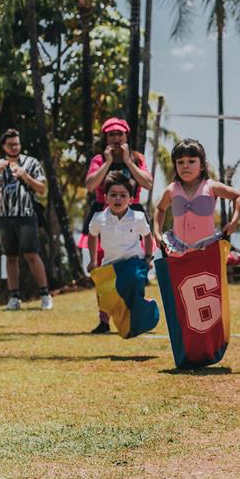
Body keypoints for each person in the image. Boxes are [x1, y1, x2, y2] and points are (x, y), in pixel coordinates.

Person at [83, 117, 153, 332]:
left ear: (126, 136)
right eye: (111, 135)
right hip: (103, 215)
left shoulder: (137, 158)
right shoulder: (98, 159)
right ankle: (104, 320)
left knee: (134, 264)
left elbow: (148, 183)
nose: (115, 138)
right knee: (104, 269)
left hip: (133, 215)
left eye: (119, 134)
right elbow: (90, 185)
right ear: (105, 137)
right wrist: (106, 163)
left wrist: (128, 161)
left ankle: (133, 313)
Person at [0, 129, 53, 310]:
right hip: (3, 217)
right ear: (3, 146)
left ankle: (45, 295)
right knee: (10, 256)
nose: (14, 147)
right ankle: (14, 298)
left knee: (31, 254)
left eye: (17, 144)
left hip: (26, 215)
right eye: (10, 144)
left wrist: (25, 176)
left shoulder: (31, 163)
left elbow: (42, 189)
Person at [152, 139, 240, 255]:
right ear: (175, 166)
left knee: (207, 274)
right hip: (178, 248)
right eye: (180, 162)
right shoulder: (172, 189)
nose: (185, 166)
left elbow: (238, 197)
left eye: (191, 161)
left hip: (207, 248)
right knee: (178, 273)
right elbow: (160, 209)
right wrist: (157, 232)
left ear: (202, 166)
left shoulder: (211, 187)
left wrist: (234, 222)